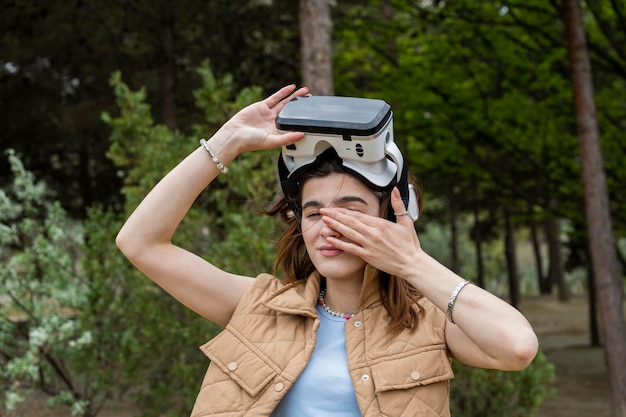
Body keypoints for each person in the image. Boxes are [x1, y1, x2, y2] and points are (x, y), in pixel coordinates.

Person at [116, 85, 538, 417]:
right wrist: (228, 142)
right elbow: (140, 243)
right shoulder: (258, 306)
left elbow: (517, 346)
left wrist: (412, 262)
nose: (329, 227)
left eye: (351, 211)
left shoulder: (428, 322)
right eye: (314, 213)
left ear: (392, 216)